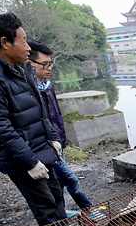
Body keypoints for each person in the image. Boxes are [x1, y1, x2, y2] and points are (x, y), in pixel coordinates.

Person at [0, 13, 66, 226]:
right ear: (5, 43)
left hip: (42, 148)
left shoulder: (19, 69)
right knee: (47, 210)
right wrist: (30, 162)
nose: (28, 47)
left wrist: (53, 138)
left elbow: (38, 109)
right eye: (23, 41)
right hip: (25, 159)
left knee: (57, 198)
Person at [27, 39, 93, 211]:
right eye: (44, 65)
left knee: (59, 182)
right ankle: (88, 210)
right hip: (44, 145)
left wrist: (59, 138)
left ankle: (63, 213)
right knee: (70, 179)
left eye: (50, 64)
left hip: (56, 141)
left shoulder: (47, 85)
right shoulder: (28, 89)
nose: (49, 69)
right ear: (30, 63)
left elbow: (54, 116)